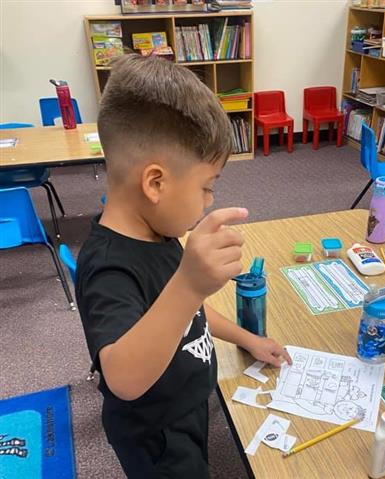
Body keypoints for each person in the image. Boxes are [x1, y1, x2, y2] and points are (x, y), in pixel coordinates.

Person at [76, 54, 291, 478]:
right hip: (154, 438)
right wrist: (190, 284)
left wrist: (247, 337)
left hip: (186, 408)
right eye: (206, 188)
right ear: (155, 183)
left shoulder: (160, 233)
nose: (209, 201)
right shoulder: (107, 266)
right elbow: (122, 376)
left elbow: (189, 315)